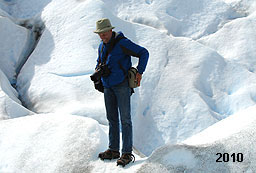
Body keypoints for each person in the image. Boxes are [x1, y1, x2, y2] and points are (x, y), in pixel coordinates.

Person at [93, 18, 149, 167]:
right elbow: (100, 61)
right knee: (111, 118)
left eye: (104, 33)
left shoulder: (122, 43)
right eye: (100, 34)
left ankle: (126, 153)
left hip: (122, 86)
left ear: (110, 30)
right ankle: (113, 150)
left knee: (125, 119)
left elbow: (144, 53)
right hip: (108, 86)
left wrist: (140, 71)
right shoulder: (101, 46)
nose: (102, 36)